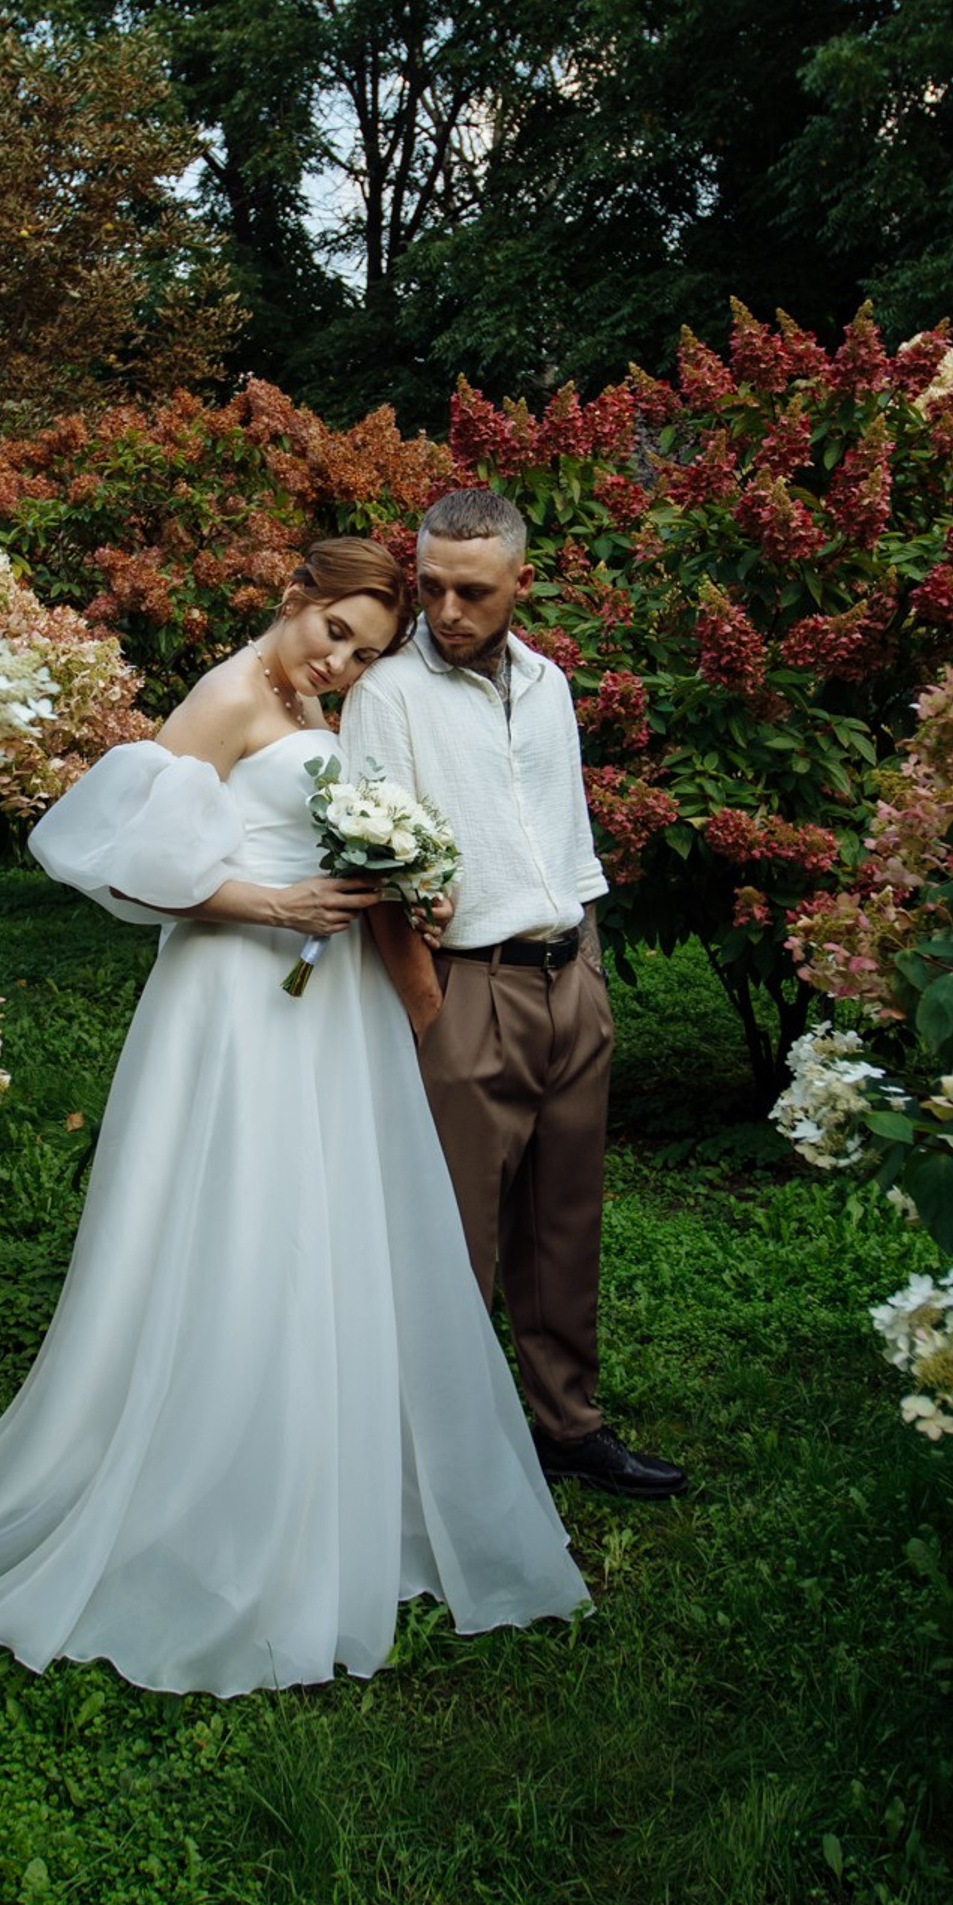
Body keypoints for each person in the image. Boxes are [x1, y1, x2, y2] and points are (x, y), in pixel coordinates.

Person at [0, 537, 588, 1695]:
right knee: (243, 1217)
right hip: (234, 999)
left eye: (364, 654)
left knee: (326, 1217)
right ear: (293, 598)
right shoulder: (229, 695)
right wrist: (273, 903)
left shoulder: (302, 701)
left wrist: (399, 880)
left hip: (325, 1001)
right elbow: (125, 863)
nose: (340, 665)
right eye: (334, 634)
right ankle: (217, 1481)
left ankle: (329, 1459)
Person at [339, 488, 688, 1501]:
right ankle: (436, 1461)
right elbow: (374, 868)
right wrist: (428, 1014)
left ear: (521, 583)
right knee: (455, 1241)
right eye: (432, 588)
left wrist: (590, 970)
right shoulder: (388, 697)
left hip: (569, 978)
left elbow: (563, 831)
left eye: (474, 591)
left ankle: (568, 1426)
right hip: (465, 989)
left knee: (564, 1221)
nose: (448, 611)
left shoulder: (548, 684)